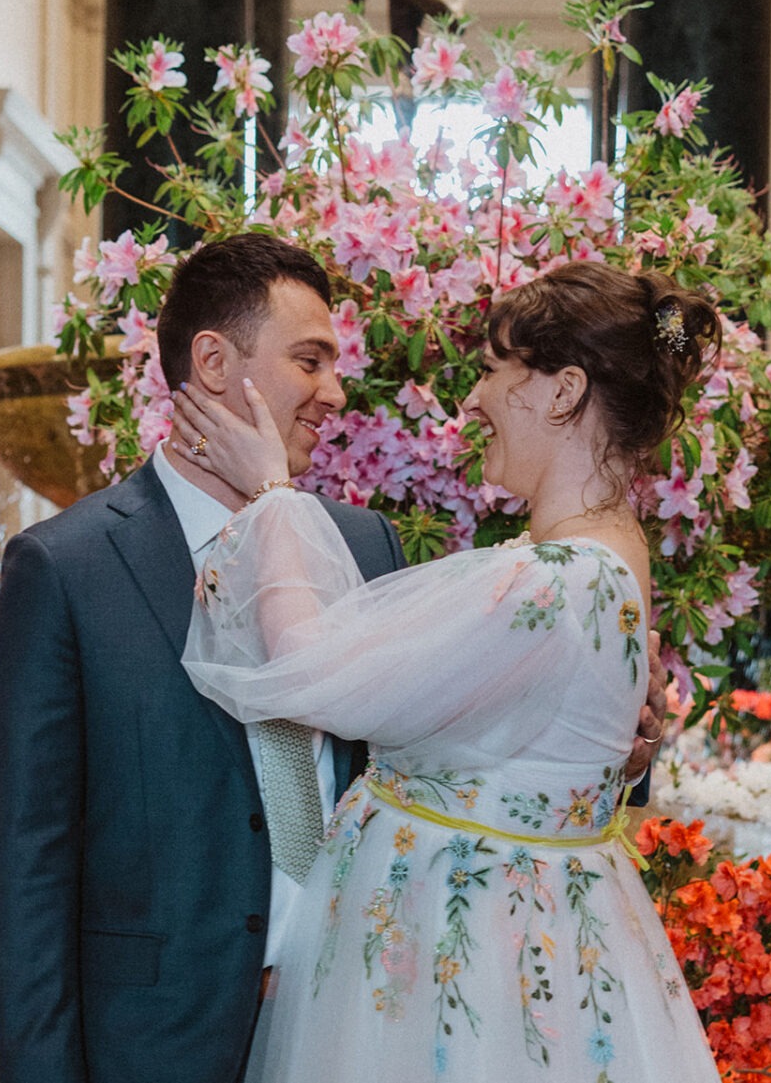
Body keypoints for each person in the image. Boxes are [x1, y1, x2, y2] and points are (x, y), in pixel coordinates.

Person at [0, 234, 665, 1083]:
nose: (336, 392)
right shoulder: (68, 568)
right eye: (311, 359)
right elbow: (29, 868)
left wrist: (619, 744)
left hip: (366, 1023)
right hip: (159, 1039)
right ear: (214, 360)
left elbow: (467, 732)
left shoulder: (364, 544)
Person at [173, 259, 723, 1082]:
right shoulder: (600, 560)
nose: (472, 399)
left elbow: (307, 665)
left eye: (496, 370)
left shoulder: (554, 580)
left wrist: (273, 497)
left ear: (565, 391)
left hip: (459, 975)